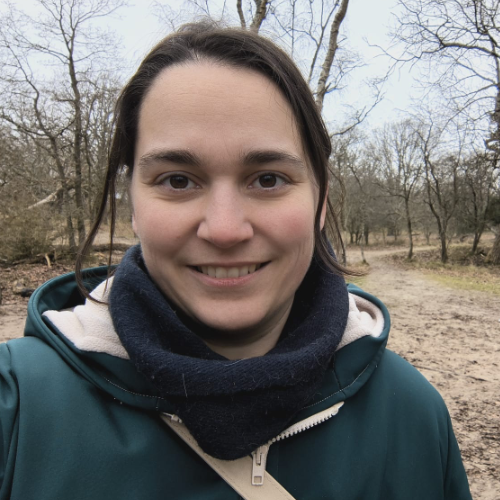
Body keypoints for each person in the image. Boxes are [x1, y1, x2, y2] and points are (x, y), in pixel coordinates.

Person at [0, 21, 472, 500]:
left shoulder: (412, 416)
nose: (224, 230)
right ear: (134, 206)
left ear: (321, 200)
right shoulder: (16, 408)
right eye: (178, 180)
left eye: (267, 179)